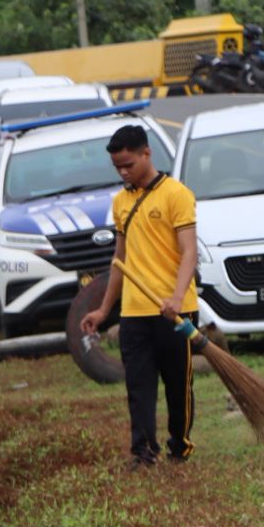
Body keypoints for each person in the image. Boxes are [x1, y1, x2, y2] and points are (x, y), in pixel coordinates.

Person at [78, 123, 198, 468]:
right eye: (117, 167)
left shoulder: (176, 194)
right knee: (139, 386)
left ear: (147, 153)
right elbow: (120, 260)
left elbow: (188, 252)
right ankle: (143, 452)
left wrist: (176, 298)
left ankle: (180, 446)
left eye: (128, 164)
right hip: (135, 312)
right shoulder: (120, 202)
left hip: (177, 311)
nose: (123, 172)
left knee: (178, 386)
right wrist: (104, 310)